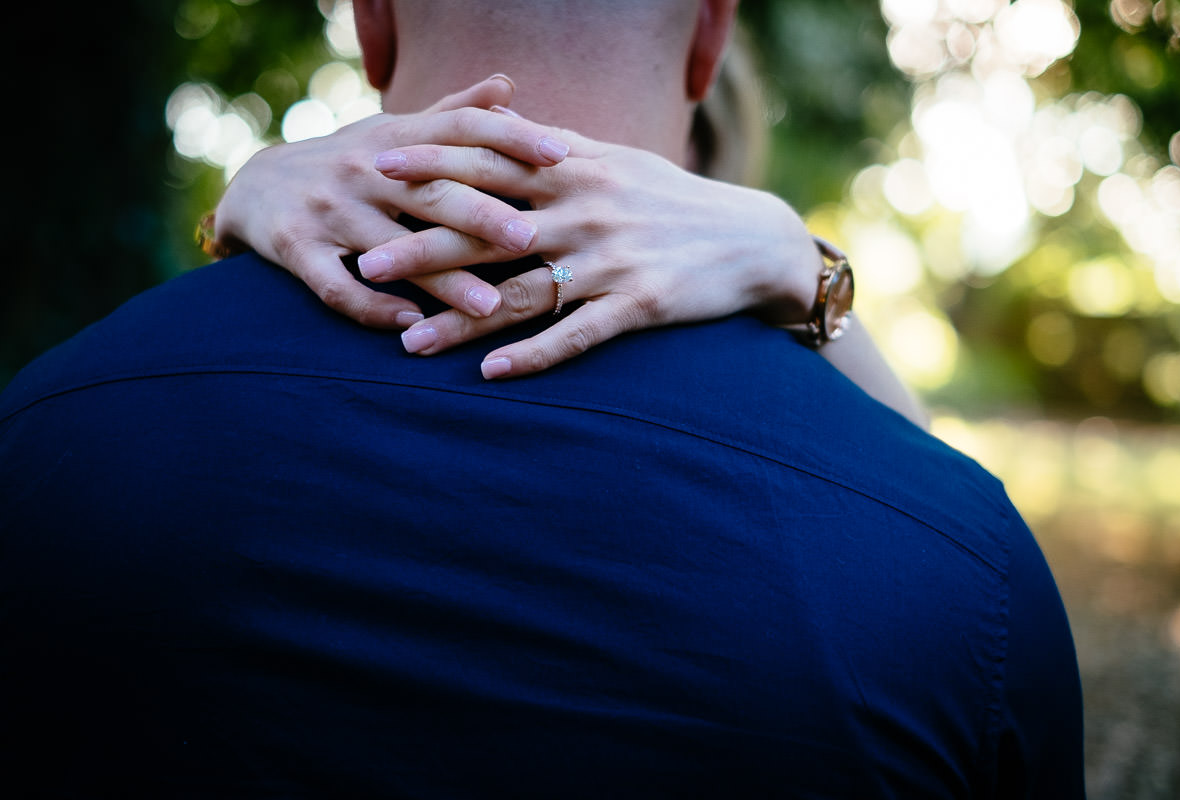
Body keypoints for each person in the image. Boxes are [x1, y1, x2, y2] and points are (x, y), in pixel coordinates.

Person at [0, 1, 1084, 797]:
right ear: (711, 39)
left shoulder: (38, 442)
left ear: (370, 23)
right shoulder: (962, 566)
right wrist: (804, 264)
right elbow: (950, 536)